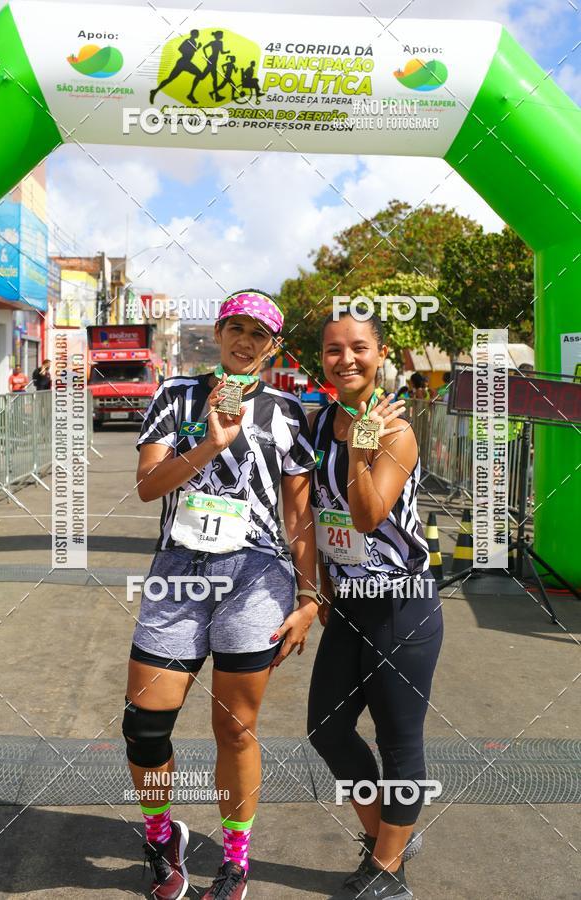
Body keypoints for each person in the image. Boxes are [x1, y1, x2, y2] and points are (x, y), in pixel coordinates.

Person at [124, 289, 319, 900]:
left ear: (272, 346)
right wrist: (208, 443)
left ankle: (235, 858)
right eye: (236, 328)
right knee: (145, 725)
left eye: (259, 335)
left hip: (256, 577)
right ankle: (163, 837)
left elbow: (300, 513)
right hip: (179, 570)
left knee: (235, 729)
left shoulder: (289, 412)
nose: (245, 342)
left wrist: (311, 599)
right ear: (218, 330)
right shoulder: (176, 395)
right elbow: (148, 488)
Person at [308, 309, 443, 900]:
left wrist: (361, 452)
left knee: (398, 740)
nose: (347, 359)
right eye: (334, 350)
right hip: (350, 605)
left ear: (380, 352)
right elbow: (316, 515)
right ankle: (388, 837)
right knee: (327, 728)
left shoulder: (395, 430)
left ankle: (389, 871)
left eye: (358, 347)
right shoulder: (318, 426)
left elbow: (367, 514)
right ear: (323, 359)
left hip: (400, 606)